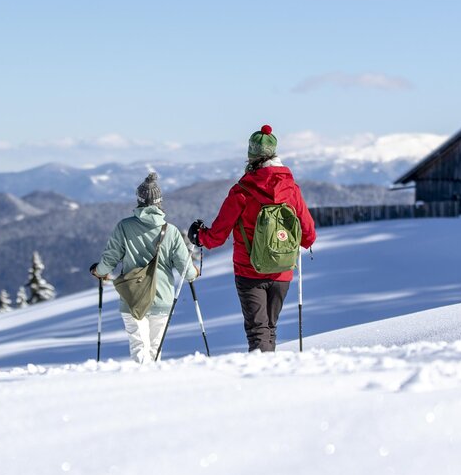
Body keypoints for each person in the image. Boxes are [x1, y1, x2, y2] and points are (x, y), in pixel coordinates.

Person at [188, 125, 316, 352]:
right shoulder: (292, 189)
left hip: (249, 270)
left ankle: (262, 378)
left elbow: (217, 236)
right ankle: (271, 373)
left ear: (251, 157)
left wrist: (199, 237)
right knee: (269, 328)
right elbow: (309, 235)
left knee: (258, 331)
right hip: (282, 270)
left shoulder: (241, 192)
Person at [92, 172, 198, 363]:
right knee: (155, 350)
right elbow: (186, 269)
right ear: (159, 202)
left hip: (132, 297)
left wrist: (98, 272)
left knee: (139, 347)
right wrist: (194, 273)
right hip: (161, 298)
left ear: (139, 200)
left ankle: (139, 381)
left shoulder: (124, 227)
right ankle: (152, 386)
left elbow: (110, 259)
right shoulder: (171, 231)